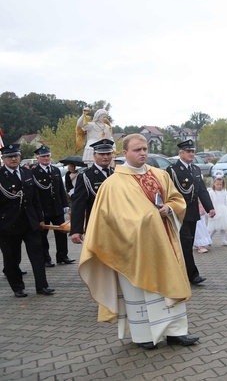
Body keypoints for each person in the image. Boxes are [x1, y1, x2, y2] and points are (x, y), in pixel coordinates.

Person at [79, 134, 198, 349]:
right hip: (133, 251)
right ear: (124, 153)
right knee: (141, 295)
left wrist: (169, 209)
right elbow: (109, 220)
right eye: (137, 150)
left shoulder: (160, 175)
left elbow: (176, 199)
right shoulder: (113, 184)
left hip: (165, 243)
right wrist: (147, 218)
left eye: (144, 148)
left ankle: (175, 332)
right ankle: (144, 336)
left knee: (171, 284)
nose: (142, 153)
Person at [0, 143, 54, 297]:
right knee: (11, 259)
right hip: (8, 225)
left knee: (38, 255)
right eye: (10, 156)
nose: (14, 159)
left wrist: (40, 218)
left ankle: (42, 286)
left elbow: (35, 198)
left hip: (30, 222)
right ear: (3, 159)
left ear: (20, 157)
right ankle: (18, 287)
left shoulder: (27, 172)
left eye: (16, 156)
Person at [166, 139, 215, 286]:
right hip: (179, 212)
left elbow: (201, 190)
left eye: (192, 151)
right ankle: (192, 275)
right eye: (188, 151)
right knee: (185, 244)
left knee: (188, 243)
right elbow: (169, 192)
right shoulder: (173, 171)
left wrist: (209, 207)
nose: (191, 154)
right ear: (180, 153)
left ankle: (183, 273)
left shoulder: (195, 169)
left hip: (193, 212)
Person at [31, 145, 74, 267]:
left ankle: (62, 256)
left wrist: (65, 204)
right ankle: (46, 259)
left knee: (61, 233)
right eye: (43, 156)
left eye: (48, 156)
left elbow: (61, 189)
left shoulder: (55, 170)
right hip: (43, 209)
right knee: (43, 236)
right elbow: (35, 194)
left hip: (57, 207)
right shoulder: (34, 173)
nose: (46, 158)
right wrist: (37, 211)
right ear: (38, 158)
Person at [70, 139, 115, 245]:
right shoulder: (86, 176)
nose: (106, 157)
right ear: (94, 155)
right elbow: (78, 204)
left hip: (116, 224)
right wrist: (76, 230)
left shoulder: (116, 173)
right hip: (97, 224)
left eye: (108, 153)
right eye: (101, 154)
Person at [207, 173, 227, 246]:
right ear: (214, 184)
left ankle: (224, 240)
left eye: (220, 184)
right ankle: (209, 237)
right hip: (216, 210)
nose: (219, 186)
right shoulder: (211, 192)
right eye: (217, 184)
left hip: (223, 210)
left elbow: (226, 201)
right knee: (215, 227)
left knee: (223, 227)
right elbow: (210, 202)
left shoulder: (224, 191)